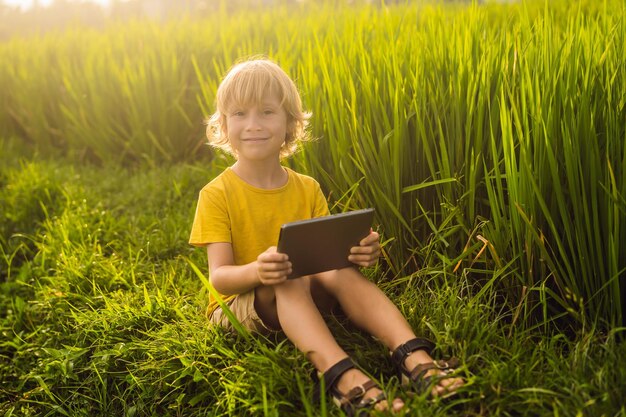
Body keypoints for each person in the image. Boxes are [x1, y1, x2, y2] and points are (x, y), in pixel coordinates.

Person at [189, 57, 464, 415]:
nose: (253, 125)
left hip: (303, 294)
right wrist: (259, 270)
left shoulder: (307, 187)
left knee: (340, 271)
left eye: (267, 112)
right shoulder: (217, 193)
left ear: (289, 123)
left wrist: (357, 252)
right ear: (224, 125)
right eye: (240, 114)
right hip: (240, 305)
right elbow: (220, 278)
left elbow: (326, 260)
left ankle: (413, 355)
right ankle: (343, 378)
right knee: (288, 277)